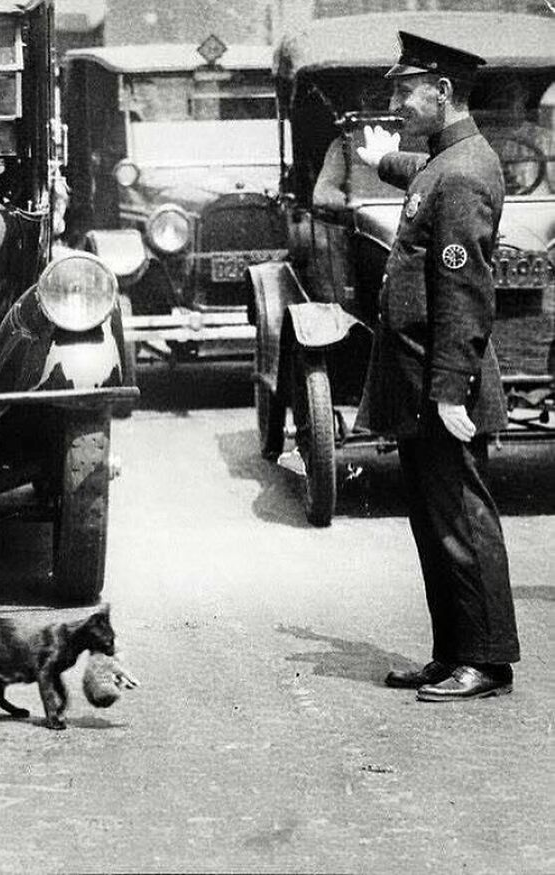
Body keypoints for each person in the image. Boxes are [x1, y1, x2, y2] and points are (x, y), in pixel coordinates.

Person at [354, 32, 520, 701]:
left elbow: (465, 293)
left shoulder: (462, 174)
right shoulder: (447, 161)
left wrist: (451, 391)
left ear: (442, 91)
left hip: (443, 384)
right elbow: (420, 175)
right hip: (423, 381)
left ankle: (486, 661)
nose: (395, 101)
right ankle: (453, 652)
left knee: (462, 521)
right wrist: (381, 159)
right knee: (435, 521)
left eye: (404, 89)